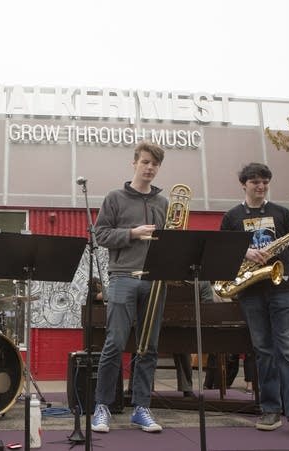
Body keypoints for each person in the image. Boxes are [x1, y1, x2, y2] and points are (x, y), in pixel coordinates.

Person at [220, 162, 289, 439]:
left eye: (264, 182)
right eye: (254, 182)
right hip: (251, 291)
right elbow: (222, 251)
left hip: (284, 289)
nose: (260, 187)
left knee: (287, 351)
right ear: (244, 184)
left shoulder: (282, 213)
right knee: (263, 352)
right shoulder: (232, 217)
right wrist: (245, 252)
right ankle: (271, 409)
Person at [91, 141, 168, 434]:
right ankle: (102, 406)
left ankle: (141, 407)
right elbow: (101, 235)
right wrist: (132, 234)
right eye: (145, 162)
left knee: (148, 346)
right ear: (134, 163)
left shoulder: (163, 203)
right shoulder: (115, 197)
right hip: (123, 276)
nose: (150, 168)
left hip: (154, 280)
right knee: (115, 342)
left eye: (155, 164)